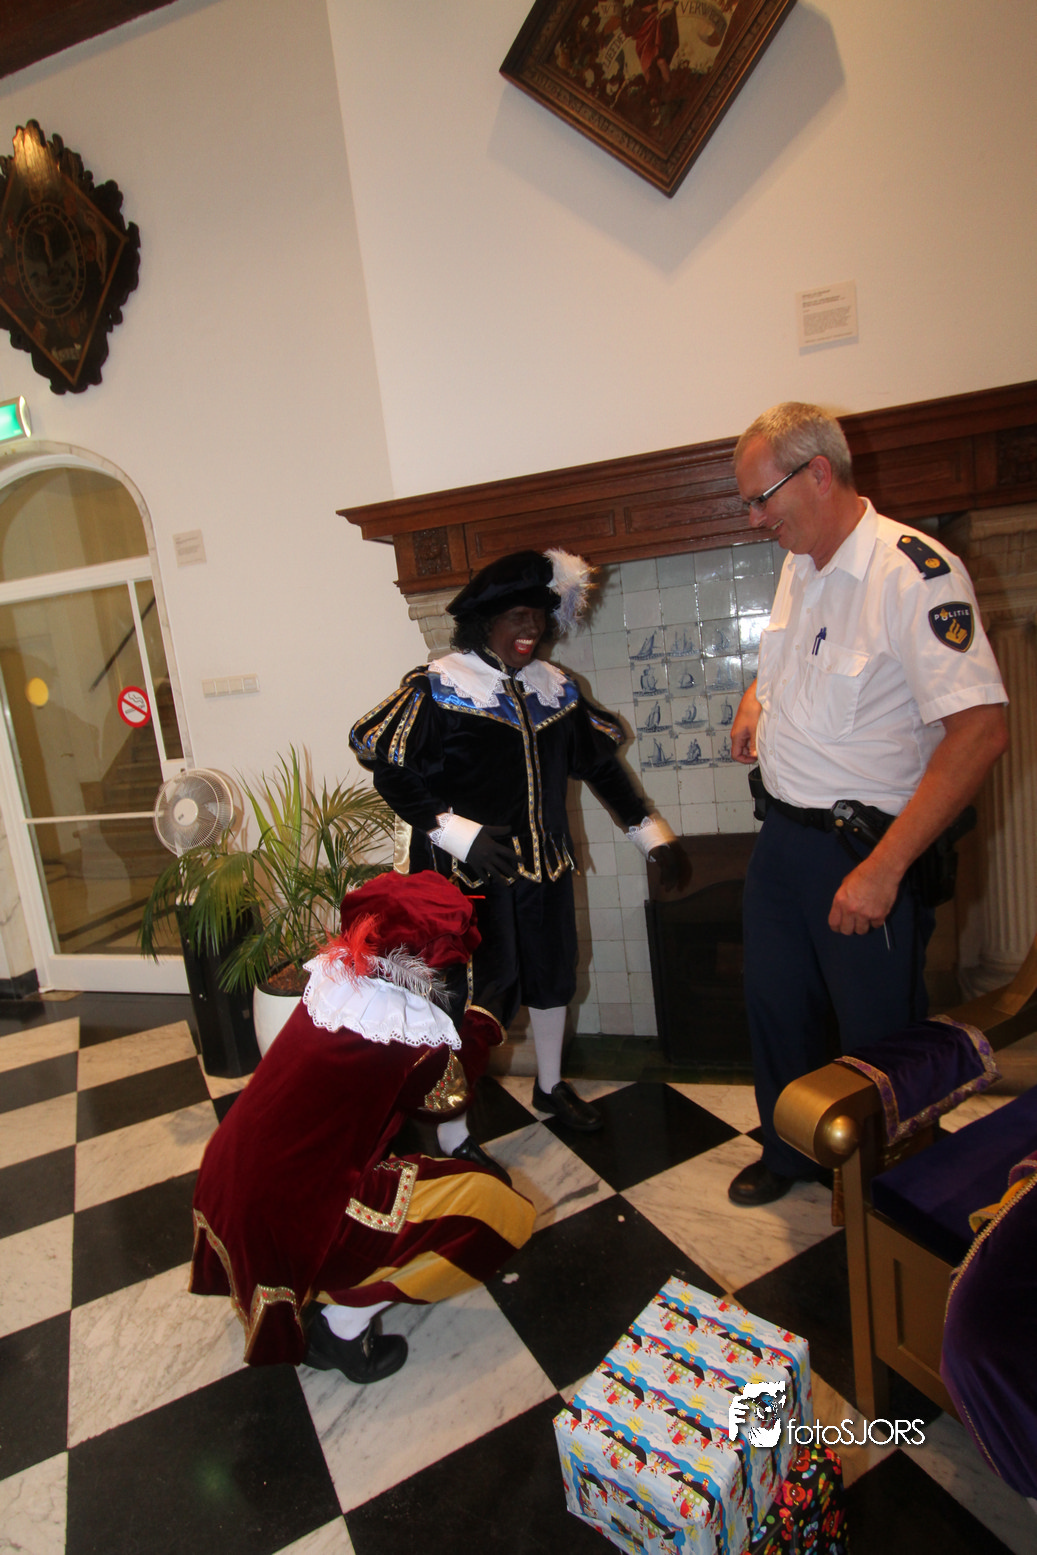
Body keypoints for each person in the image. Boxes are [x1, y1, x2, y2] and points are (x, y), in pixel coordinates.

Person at [727, 403, 1008, 1206]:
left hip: (864, 847)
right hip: (782, 837)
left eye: (760, 498)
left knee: (879, 1037)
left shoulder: (913, 573)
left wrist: (884, 869)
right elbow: (790, 657)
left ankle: (897, 1187)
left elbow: (980, 730)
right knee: (776, 1008)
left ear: (818, 472)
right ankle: (789, 1155)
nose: (754, 519)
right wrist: (753, 698)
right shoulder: (801, 559)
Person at [350, 548, 689, 1166]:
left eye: (537, 615)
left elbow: (601, 769)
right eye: (516, 617)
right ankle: (452, 1131)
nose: (530, 628)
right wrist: (457, 832)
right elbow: (392, 772)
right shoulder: (439, 688)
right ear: (484, 624)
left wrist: (651, 836)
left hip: (546, 868)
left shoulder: (555, 690)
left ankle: (551, 1086)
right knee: (473, 995)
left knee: (554, 975)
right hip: (468, 878)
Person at [189, 870, 536, 1381]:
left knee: (400, 1173)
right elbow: (446, 1097)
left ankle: (322, 1288)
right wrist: (485, 1019)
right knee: (493, 1207)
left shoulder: (335, 990)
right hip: (298, 1213)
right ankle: (342, 1332)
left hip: (233, 1181)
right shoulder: (401, 1031)